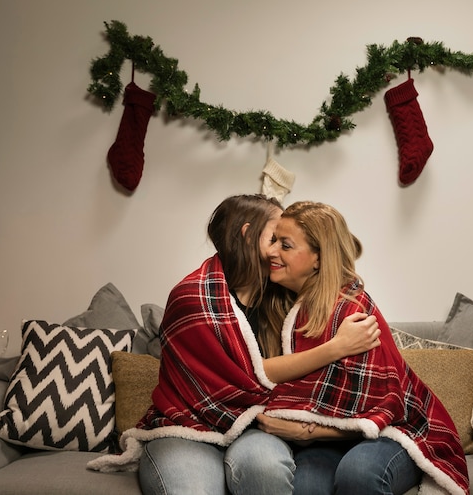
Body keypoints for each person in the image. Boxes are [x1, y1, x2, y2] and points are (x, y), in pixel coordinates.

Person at [85, 194, 381, 494]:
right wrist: (335, 347)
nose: (280, 249)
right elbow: (247, 374)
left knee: (264, 468)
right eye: (274, 238)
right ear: (248, 234)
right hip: (188, 427)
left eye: (285, 242)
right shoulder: (194, 297)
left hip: (256, 425)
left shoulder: (284, 295)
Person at [255, 201, 469, 495]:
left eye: (286, 245)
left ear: (318, 258)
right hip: (330, 437)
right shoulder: (280, 306)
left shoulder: (353, 311)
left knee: (358, 472)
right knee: (306, 487)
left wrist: (304, 430)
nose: (271, 251)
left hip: (395, 430)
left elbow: (386, 406)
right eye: (274, 240)